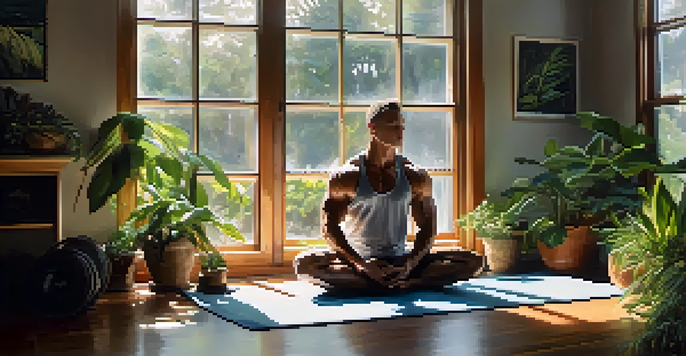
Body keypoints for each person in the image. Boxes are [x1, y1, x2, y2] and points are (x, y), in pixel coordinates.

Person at [294, 100, 484, 293]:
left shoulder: (415, 176)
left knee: (473, 262)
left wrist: (409, 263)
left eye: (401, 125)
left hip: (399, 258)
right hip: (358, 260)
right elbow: (330, 227)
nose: (400, 131)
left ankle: (394, 282)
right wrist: (361, 264)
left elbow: (427, 227)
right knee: (303, 264)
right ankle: (393, 283)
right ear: (373, 128)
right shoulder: (346, 176)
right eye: (393, 126)